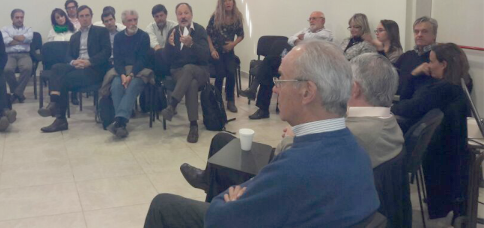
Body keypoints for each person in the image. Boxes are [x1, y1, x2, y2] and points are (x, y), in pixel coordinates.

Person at [145, 40, 380, 227]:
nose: (275, 87)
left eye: (281, 79)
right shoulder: (356, 149)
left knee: (162, 205)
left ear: (307, 92)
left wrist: (229, 204)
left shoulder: (296, 167)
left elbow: (219, 219)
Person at [181, 52, 404, 201]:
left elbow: (291, 155)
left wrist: (297, 133)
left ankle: (214, 197)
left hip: (289, 176)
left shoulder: (352, 134)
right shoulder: (387, 123)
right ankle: (209, 181)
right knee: (222, 141)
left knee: (167, 204)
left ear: (354, 89)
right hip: (306, 170)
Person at [391, 43, 470, 219]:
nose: (428, 64)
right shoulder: (455, 84)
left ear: (444, 64)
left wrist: (390, 107)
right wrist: (414, 75)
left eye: (432, 61)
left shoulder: (444, 89)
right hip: (443, 151)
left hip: (438, 151)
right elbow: (408, 98)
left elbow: (409, 106)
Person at [240, 11, 332, 120]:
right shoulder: (306, 30)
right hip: (296, 61)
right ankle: (262, 108)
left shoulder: (327, 34)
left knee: (269, 62)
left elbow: (312, 40)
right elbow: (290, 39)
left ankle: (254, 89)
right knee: (269, 68)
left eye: (314, 19)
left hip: (308, 65)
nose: (311, 21)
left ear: (323, 20)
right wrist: (300, 39)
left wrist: (301, 38)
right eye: (310, 19)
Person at [39, 5, 111, 133]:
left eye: (87, 15)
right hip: (77, 66)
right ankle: (54, 103)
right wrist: (73, 62)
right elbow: (68, 55)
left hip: (94, 69)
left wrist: (89, 62)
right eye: (81, 16)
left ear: (91, 16)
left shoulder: (101, 31)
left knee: (64, 80)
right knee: (56, 68)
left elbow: (106, 53)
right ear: (77, 18)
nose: (84, 19)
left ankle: (60, 118)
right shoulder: (75, 36)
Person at [160, 3, 210, 143]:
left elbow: (206, 56)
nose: (183, 16)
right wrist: (169, 46)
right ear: (176, 17)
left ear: (191, 14)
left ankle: (173, 104)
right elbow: (166, 60)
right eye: (180, 14)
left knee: (189, 69)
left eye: (186, 13)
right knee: (191, 83)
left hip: (200, 70)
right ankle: (193, 126)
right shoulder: (173, 32)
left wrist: (192, 45)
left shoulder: (199, 30)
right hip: (178, 72)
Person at [109, 10, 151, 138]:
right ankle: (121, 124)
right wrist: (122, 75)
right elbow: (117, 59)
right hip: (122, 71)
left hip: (139, 72)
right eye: (130, 20)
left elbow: (142, 60)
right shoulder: (119, 37)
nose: (133, 23)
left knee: (132, 87)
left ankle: (119, 122)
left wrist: (131, 75)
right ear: (123, 23)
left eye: (135, 20)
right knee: (116, 86)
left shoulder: (144, 36)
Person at [207, 0, 244, 113]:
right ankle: (217, 100)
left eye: (230, 0)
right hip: (216, 51)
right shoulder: (215, 16)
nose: (228, 3)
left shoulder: (237, 17)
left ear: (233, 2)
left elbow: (241, 35)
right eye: (225, 1)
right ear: (221, 4)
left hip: (229, 51)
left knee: (231, 72)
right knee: (220, 73)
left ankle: (230, 101)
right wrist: (212, 49)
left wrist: (233, 44)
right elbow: (208, 34)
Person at [394, 16, 438, 96]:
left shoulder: (439, 58)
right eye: (416, 31)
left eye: (424, 31)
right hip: (399, 100)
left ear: (434, 35)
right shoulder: (406, 56)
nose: (419, 35)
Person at [2, 9, 34, 103]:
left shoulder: (28, 29)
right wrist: (22, 39)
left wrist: (12, 37)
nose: (20, 19)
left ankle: (16, 94)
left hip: (24, 54)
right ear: (12, 18)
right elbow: (6, 41)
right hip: (9, 55)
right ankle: (18, 93)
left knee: (27, 68)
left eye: (21, 17)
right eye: (17, 17)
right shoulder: (5, 29)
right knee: (7, 69)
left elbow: (28, 39)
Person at [145, 4, 177, 78]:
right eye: (156, 16)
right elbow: (155, 45)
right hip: (157, 56)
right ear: (154, 18)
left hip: (171, 54)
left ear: (166, 15)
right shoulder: (150, 27)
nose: (159, 18)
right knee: (153, 52)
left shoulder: (174, 26)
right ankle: (161, 80)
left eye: (161, 15)